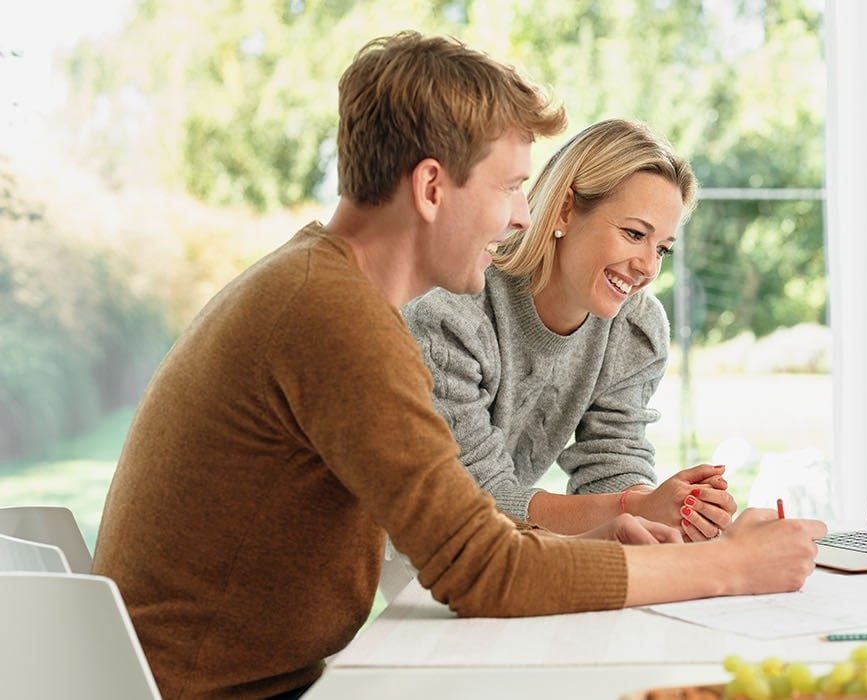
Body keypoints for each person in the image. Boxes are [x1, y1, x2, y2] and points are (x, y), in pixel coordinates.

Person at [91, 31, 826, 699]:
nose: (521, 216)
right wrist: (730, 566)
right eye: (509, 187)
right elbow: (483, 571)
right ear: (432, 188)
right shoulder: (334, 317)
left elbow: (479, 545)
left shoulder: (320, 288)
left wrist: (609, 534)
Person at [405, 119, 735, 542]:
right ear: (565, 209)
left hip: (496, 546)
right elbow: (478, 499)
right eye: (634, 233)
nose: (648, 267)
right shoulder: (452, 315)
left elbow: (611, 462)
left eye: (662, 249)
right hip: (396, 545)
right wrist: (634, 507)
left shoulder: (636, 328)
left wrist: (669, 507)